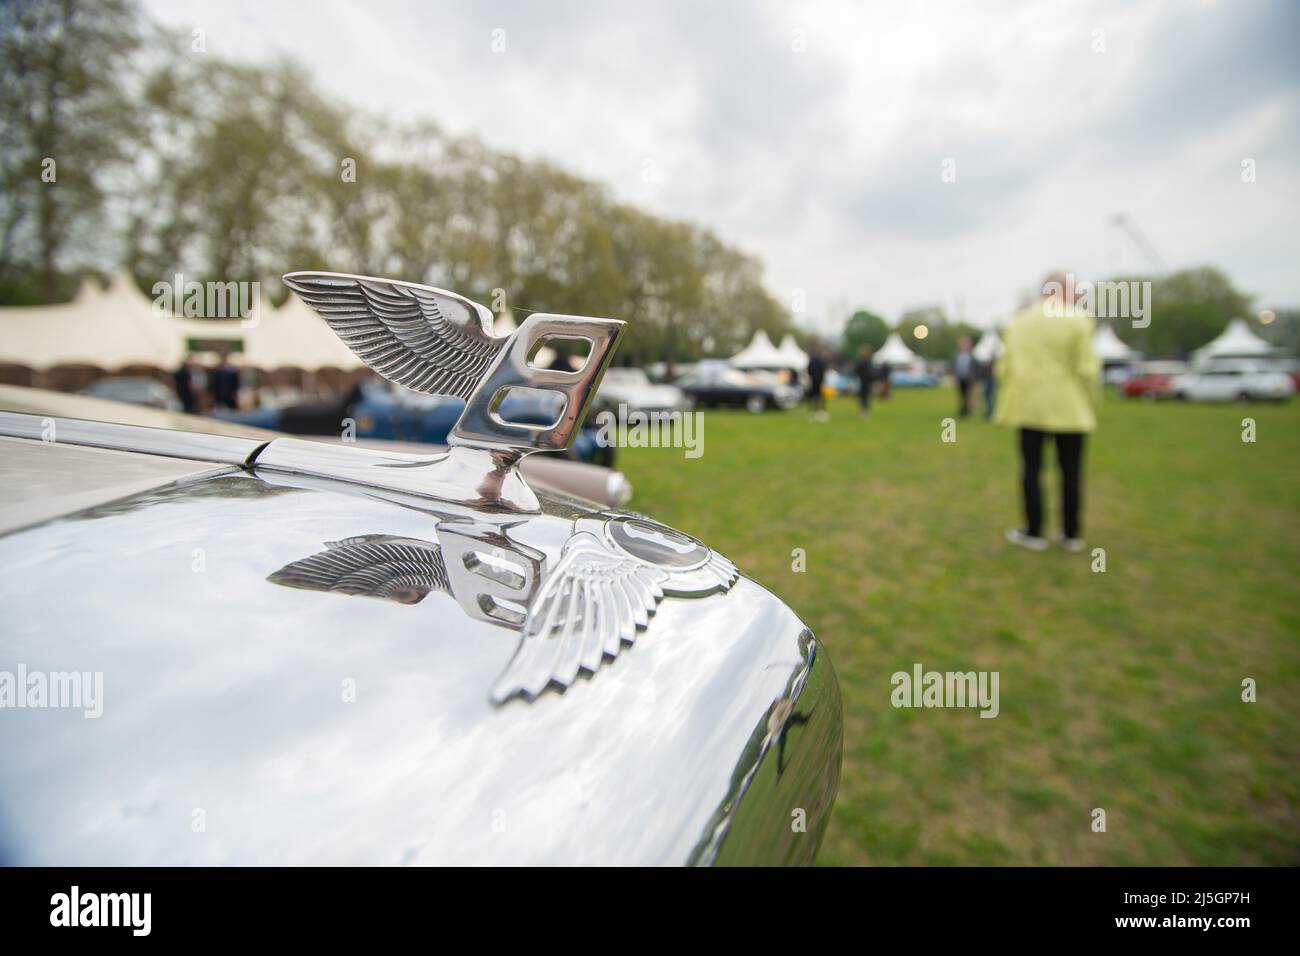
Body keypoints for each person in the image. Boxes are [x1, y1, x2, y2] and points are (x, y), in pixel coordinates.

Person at [995, 272, 1101, 553]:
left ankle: (1033, 531)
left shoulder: (1018, 323)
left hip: (1028, 407)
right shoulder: (1078, 320)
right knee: (1071, 473)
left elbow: (1004, 369)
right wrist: (1092, 403)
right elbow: (1087, 370)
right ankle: (1070, 533)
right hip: (1070, 409)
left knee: (1031, 470)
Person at [953, 336, 975, 417]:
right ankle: (963, 409)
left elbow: (974, 368)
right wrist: (955, 377)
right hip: (961, 378)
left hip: (969, 379)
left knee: (968, 395)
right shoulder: (958, 356)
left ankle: (967, 410)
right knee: (961, 395)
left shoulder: (972, 356)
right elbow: (955, 367)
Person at [853, 344, 876, 416]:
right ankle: (863, 411)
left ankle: (865, 411)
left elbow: (870, 372)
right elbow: (856, 371)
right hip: (861, 381)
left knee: (866, 397)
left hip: (866, 382)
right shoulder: (861, 361)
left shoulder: (867, 361)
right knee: (862, 397)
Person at [806, 350, 828, 421]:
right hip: (819, 381)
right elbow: (823, 370)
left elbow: (809, 370)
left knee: (813, 396)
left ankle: (813, 411)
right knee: (820, 396)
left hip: (813, 381)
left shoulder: (811, 362)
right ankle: (820, 410)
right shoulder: (820, 361)